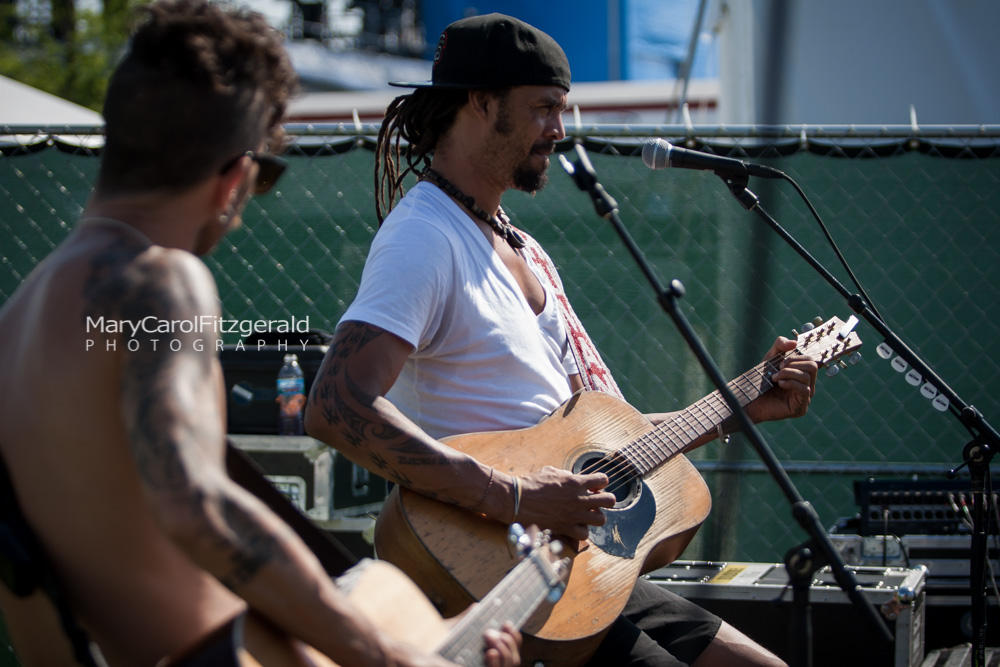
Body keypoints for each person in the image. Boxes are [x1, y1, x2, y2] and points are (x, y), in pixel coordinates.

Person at [0, 2, 520, 666]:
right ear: (232, 178)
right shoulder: (159, 282)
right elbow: (196, 504)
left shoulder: (19, 318)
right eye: (262, 179)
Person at [304, 12, 819, 667]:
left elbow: (597, 449)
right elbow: (335, 403)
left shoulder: (523, 246)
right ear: (481, 102)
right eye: (544, 107)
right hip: (501, 580)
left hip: (577, 567)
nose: (560, 129)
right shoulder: (424, 239)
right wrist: (517, 496)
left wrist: (745, 402)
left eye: (562, 108)